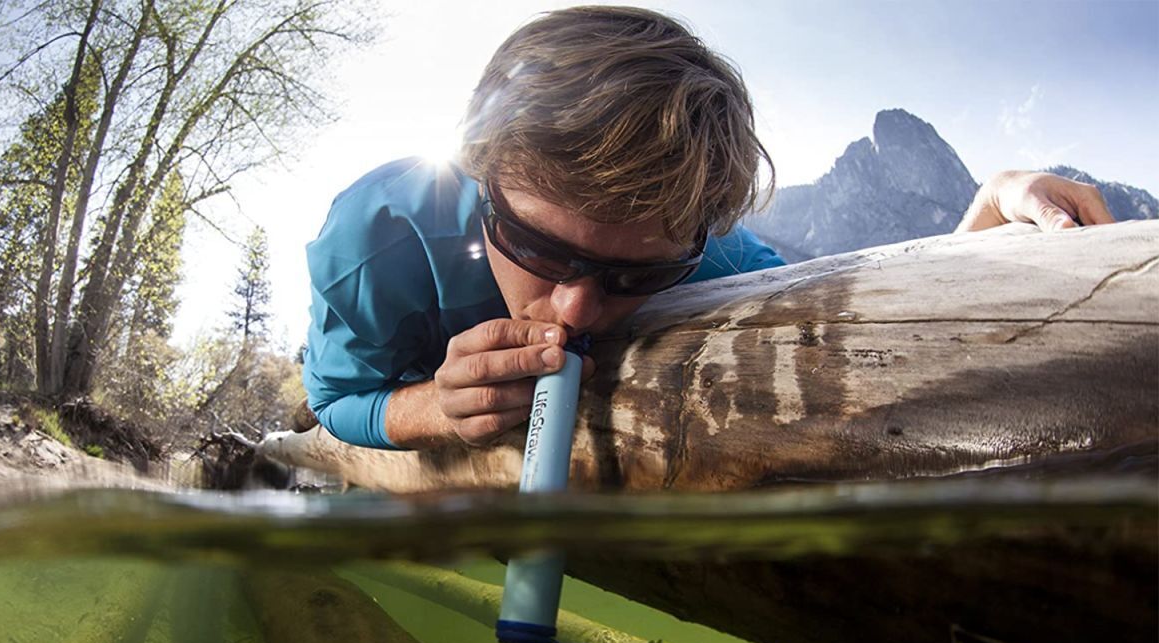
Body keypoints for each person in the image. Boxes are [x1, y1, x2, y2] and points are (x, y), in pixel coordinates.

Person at [302, 6, 1113, 451]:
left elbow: (844, 297)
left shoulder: (704, 251)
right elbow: (335, 397)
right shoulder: (374, 240)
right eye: (541, 250)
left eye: (636, 278)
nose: (577, 310)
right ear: (481, 170)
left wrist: (985, 215)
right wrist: (431, 413)